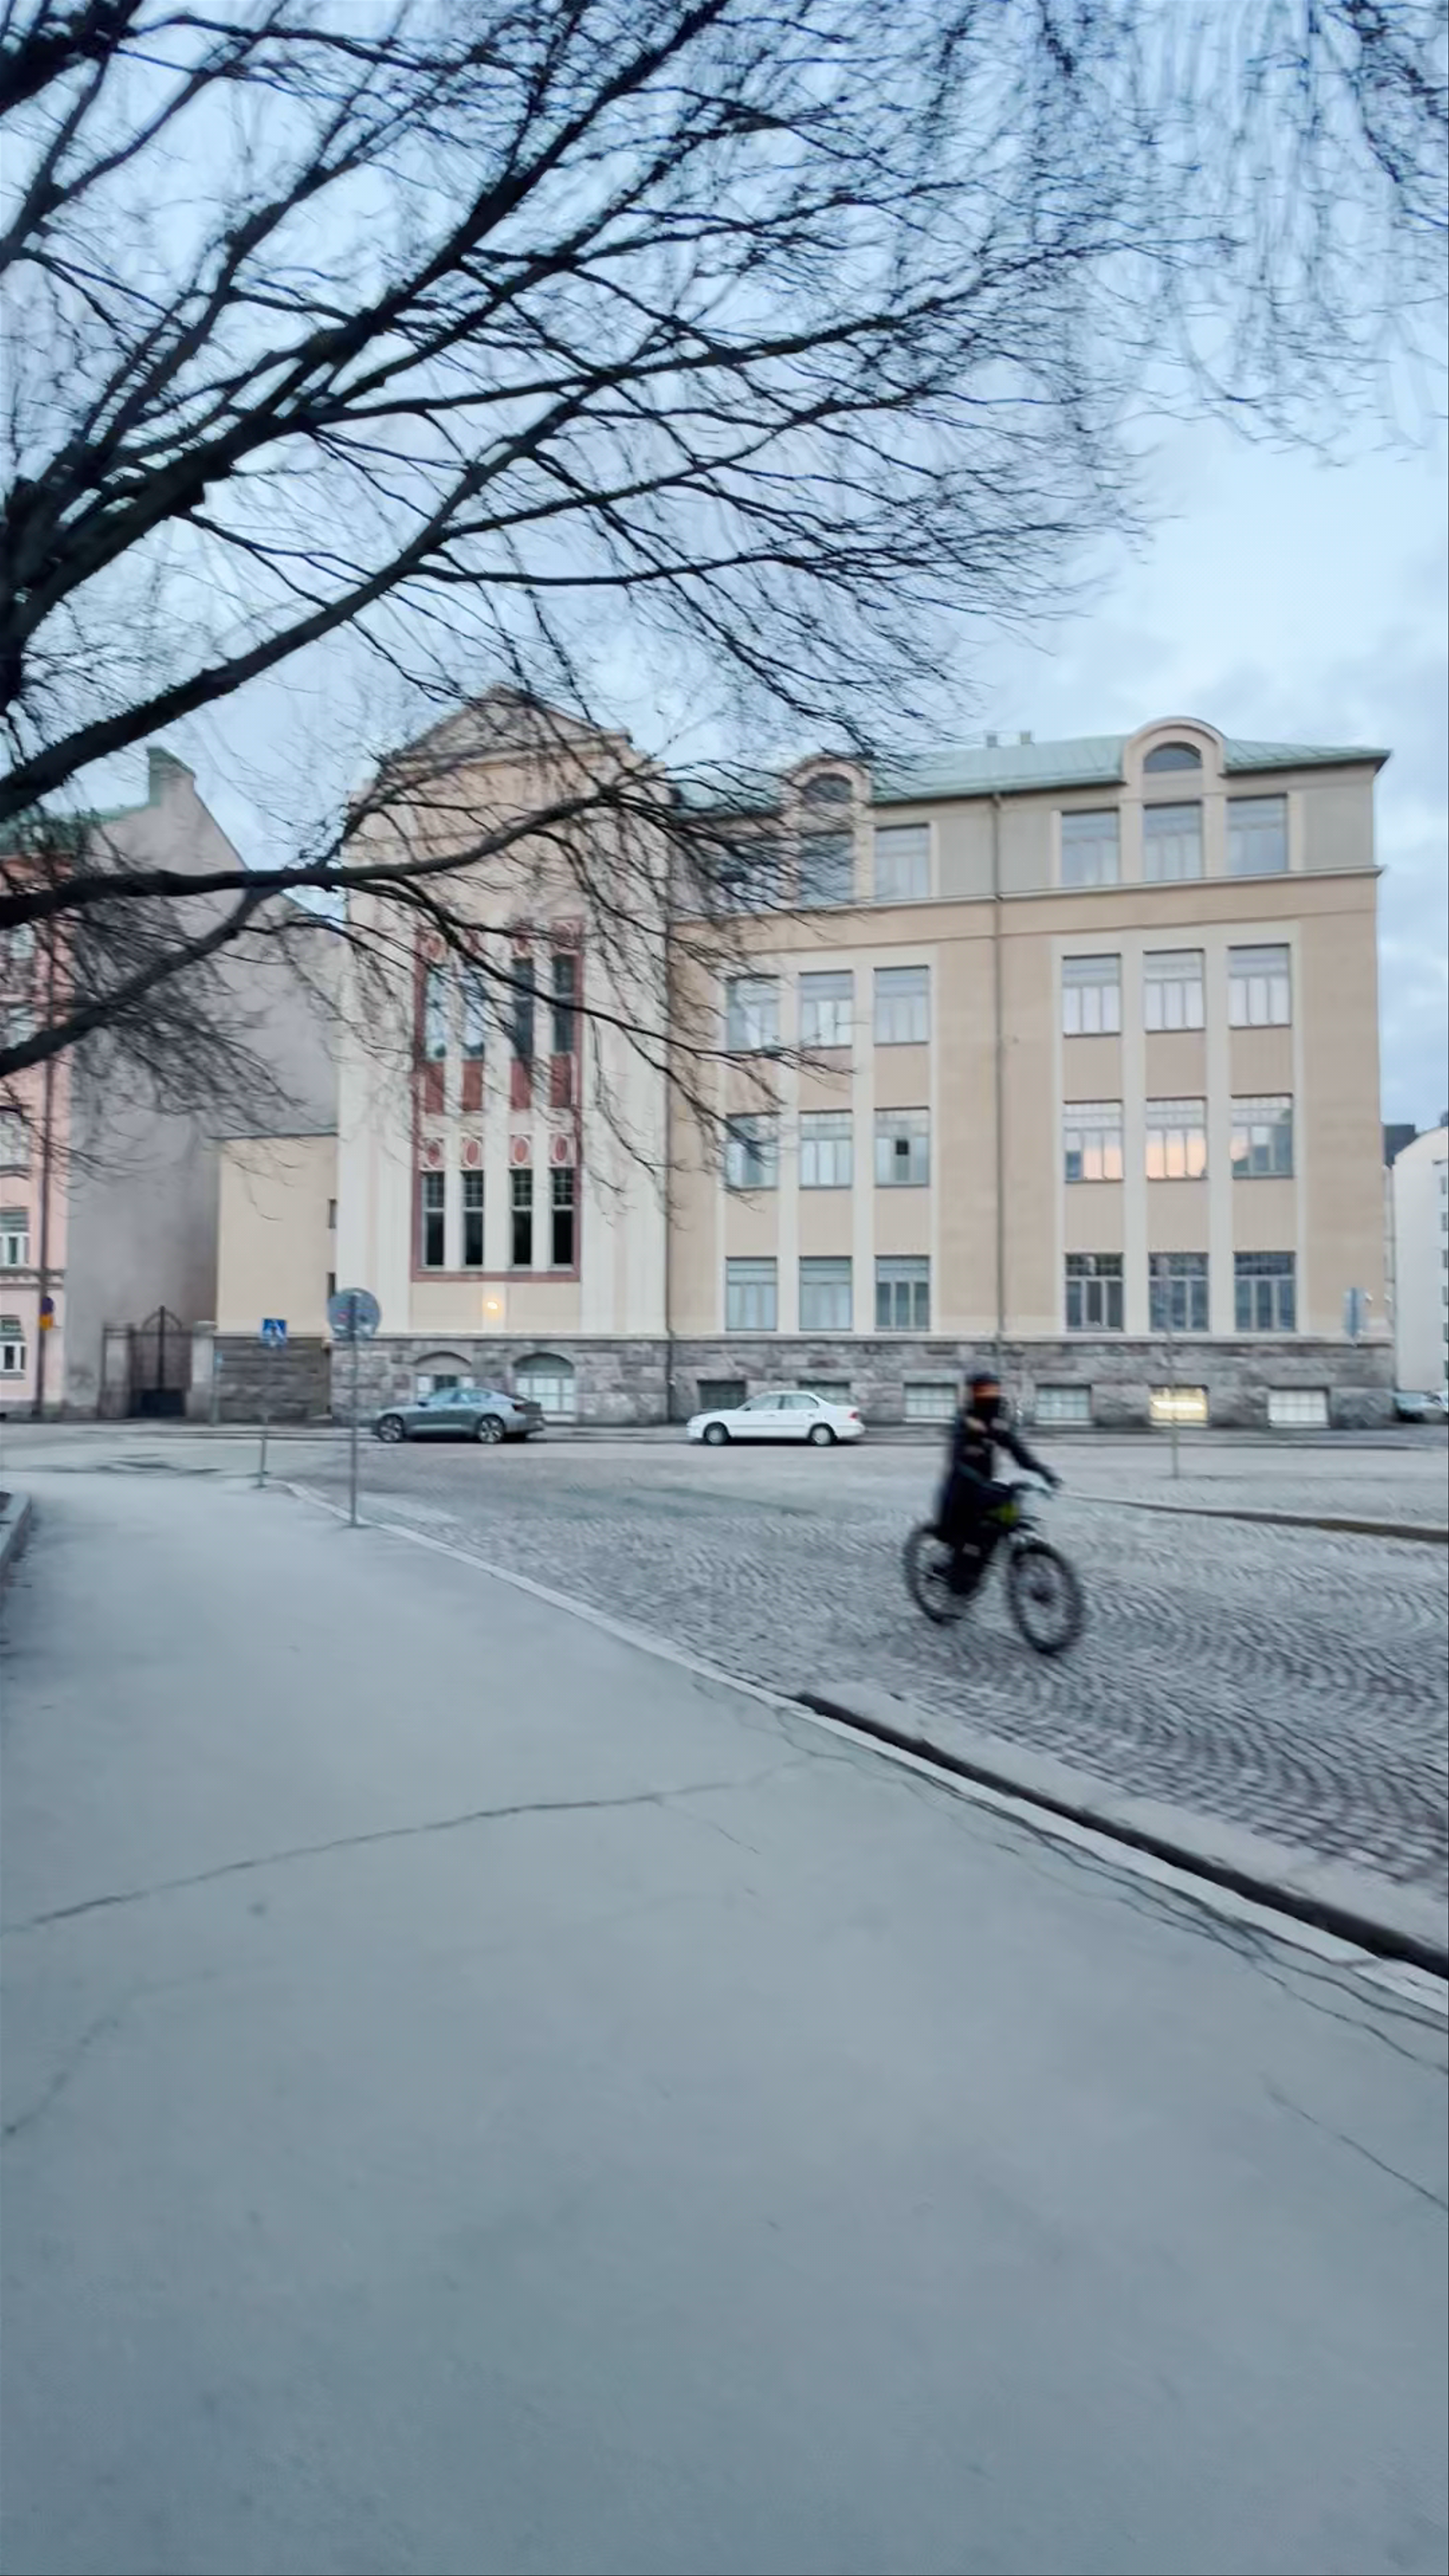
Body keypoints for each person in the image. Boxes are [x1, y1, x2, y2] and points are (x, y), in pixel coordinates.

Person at [936, 1369, 1061, 1592]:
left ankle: (989, 1560)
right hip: (961, 1490)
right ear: (973, 1393)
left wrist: (1044, 1473)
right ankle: (958, 1573)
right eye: (983, 1390)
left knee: (1003, 1520)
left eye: (993, 1390)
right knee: (971, 1540)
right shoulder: (965, 1421)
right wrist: (978, 1479)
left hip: (985, 1489)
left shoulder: (997, 1422)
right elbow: (957, 1459)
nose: (989, 1395)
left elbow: (1019, 1452)